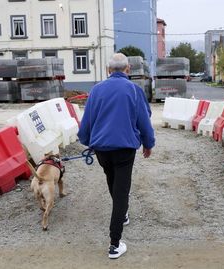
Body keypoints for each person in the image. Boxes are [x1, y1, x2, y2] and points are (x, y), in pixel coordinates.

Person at [78, 53, 155, 259]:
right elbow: (144, 120)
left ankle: (123, 213)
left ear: (108, 70)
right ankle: (114, 244)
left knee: (113, 183)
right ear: (128, 69)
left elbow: (87, 119)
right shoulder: (134, 90)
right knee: (121, 191)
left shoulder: (96, 90)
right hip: (124, 149)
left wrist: (86, 140)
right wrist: (148, 144)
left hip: (102, 149)